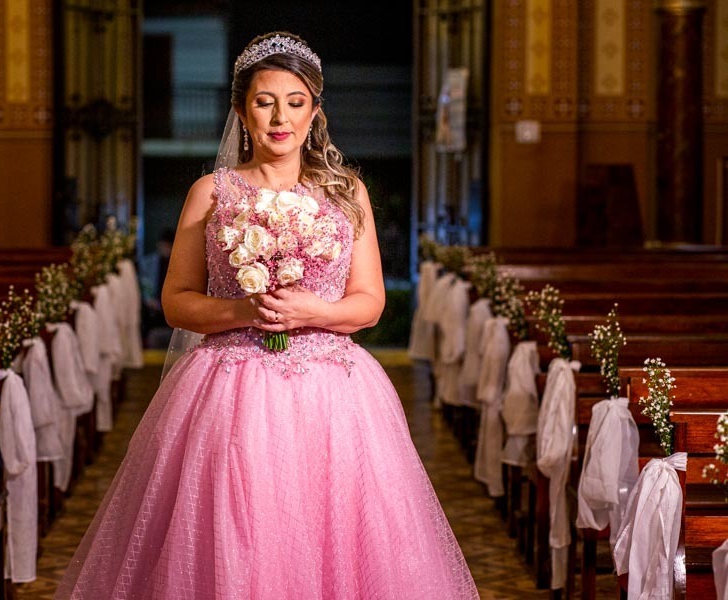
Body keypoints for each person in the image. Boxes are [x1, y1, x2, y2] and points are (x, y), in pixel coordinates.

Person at [56, 32, 478, 599]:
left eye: (296, 101)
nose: (281, 117)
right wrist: (240, 308)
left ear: (315, 111)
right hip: (231, 390)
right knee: (237, 533)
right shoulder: (211, 191)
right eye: (264, 101)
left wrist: (316, 311)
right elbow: (176, 298)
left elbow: (370, 302)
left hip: (334, 396)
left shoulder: (347, 192)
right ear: (240, 109)